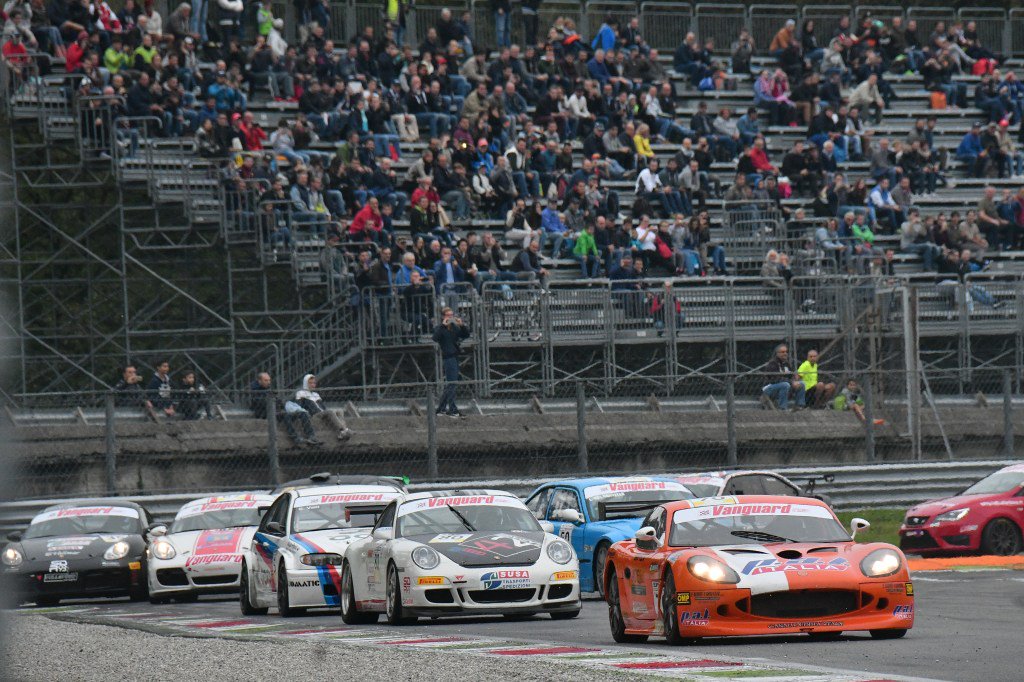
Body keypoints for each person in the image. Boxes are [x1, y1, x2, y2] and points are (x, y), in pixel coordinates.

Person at [249, 371, 319, 446]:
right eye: (266, 380)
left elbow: (279, 402)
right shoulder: (255, 390)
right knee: (285, 415)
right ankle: (295, 438)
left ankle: (311, 436)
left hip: (277, 411)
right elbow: (261, 403)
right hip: (264, 413)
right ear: (259, 381)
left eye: (269, 380)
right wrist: (273, 401)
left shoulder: (268, 389)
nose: (268, 382)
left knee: (302, 413)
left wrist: (276, 402)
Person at [433, 306, 471, 418]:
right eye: (448, 315)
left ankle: (441, 409)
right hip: (448, 358)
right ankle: (453, 409)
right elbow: (435, 338)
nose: (450, 317)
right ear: (444, 317)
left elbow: (466, 335)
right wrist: (442, 325)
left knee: (451, 383)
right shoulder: (440, 328)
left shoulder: (454, 328)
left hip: (454, 356)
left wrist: (462, 325)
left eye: (451, 315)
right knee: (452, 384)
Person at [295, 373, 353, 440]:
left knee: (340, 411)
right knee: (329, 412)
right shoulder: (300, 393)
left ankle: (342, 433)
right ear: (305, 383)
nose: (312, 385)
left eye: (314, 383)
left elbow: (323, 407)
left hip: (323, 413)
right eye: (310, 383)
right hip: (314, 415)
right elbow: (299, 405)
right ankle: (345, 430)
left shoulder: (315, 394)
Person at [760, 344, 805, 411]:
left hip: (784, 386)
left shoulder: (786, 363)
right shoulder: (772, 363)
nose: (785, 353)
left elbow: (791, 375)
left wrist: (795, 378)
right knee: (785, 385)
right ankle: (783, 408)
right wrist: (791, 382)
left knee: (801, 383)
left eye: (786, 352)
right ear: (777, 353)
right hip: (769, 388)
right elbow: (775, 379)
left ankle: (800, 406)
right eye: (782, 352)